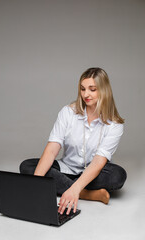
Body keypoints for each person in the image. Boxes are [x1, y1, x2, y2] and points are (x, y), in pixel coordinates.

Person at [19, 67, 127, 215]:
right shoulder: (67, 112)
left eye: (92, 89)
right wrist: (36, 185)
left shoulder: (115, 124)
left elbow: (98, 163)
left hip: (94, 173)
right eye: (82, 89)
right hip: (66, 169)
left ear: (104, 90)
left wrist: (74, 188)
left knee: (118, 175)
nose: (85, 94)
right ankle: (88, 194)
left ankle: (72, 188)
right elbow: (51, 150)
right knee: (27, 167)